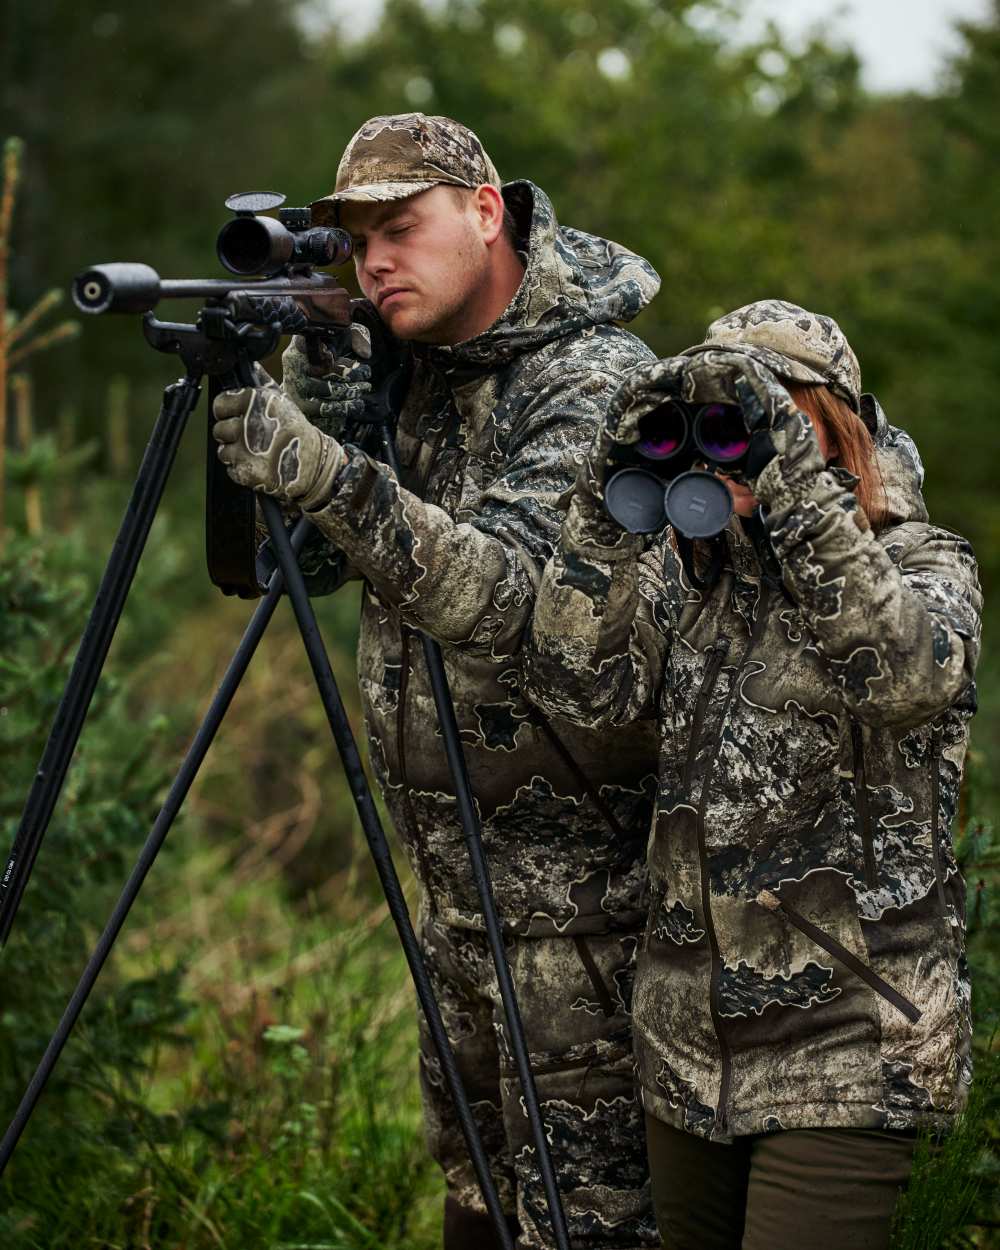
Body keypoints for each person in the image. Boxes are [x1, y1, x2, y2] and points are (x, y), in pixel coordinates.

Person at [211, 113, 662, 1249]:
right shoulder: (407, 365)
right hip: (455, 908)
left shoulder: (597, 380)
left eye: (397, 230)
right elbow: (298, 567)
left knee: (587, 1226)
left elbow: (509, 601)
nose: (373, 264)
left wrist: (321, 469)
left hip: (587, 922)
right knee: (475, 1211)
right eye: (354, 242)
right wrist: (320, 366)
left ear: (485, 210)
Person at [522, 300, 981, 1249]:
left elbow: (902, 675)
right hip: (687, 1053)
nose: (730, 445)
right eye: (717, 425)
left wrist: (791, 480)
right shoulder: (696, 583)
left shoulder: (927, 562)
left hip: (853, 1051)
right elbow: (575, 686)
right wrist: (607, 496)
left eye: (761, 415)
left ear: (832, 424)